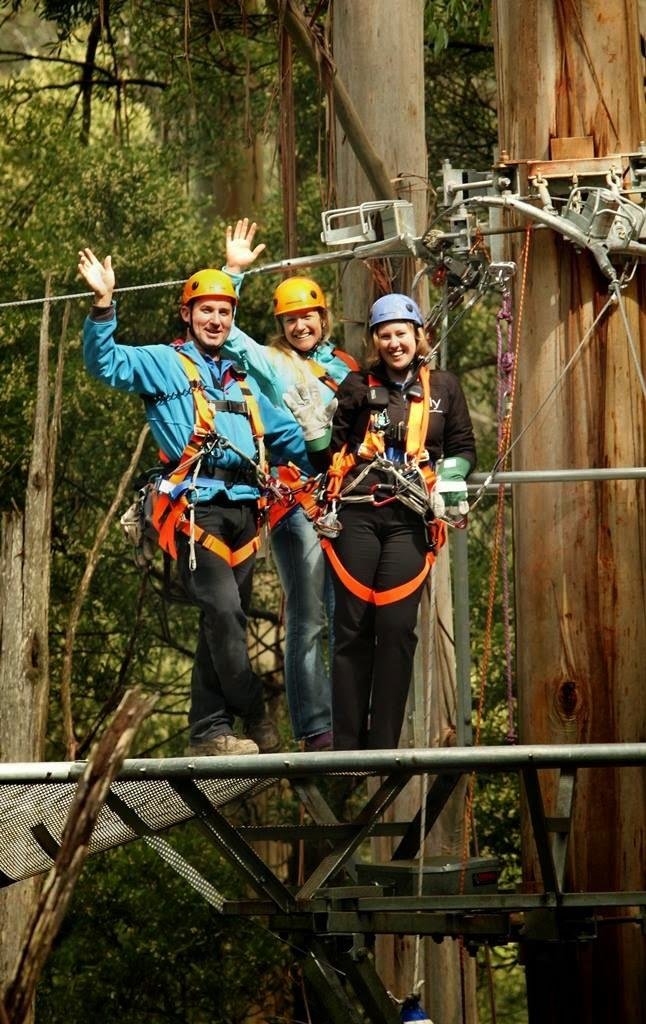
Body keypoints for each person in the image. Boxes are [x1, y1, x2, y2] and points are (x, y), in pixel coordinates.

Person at [78, 247, 313, 757]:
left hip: (246, 511)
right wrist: (102, 306)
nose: (216, 319)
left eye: (224, 312)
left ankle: (209, 732)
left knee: (221, 621)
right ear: (187, 315)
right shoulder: (163, 363)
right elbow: (105, 363)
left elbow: (291, 437)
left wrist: (337, 463)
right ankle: (253, 712)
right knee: (226, 612)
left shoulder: (241, 381)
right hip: (193, 508)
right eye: (205, 309)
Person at [284, 293, 476, 750]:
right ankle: (347, 746)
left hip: (410, 518)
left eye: (401, 334)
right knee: (352, 627)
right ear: (376, 340)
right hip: (358, 513)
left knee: (395, 628)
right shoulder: (356, 385)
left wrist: (451, 476)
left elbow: (463, 446)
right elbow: (332, 457)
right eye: (385, 335)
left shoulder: (443, 387)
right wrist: (314, 435)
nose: (394, 343)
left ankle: (384, 743)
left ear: (417, 336)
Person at [220, 220, 359, 752]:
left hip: (342, 500)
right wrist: (233, 272)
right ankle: (315, 728)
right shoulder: (269, 360)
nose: (301, 325)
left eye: (309, 316)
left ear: (323, 318)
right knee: (308, 618)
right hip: (293, 501)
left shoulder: (345, 367)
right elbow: (226, 334)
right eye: (291, 319)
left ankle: (347, 720)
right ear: (281, 323)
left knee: (346, 615)